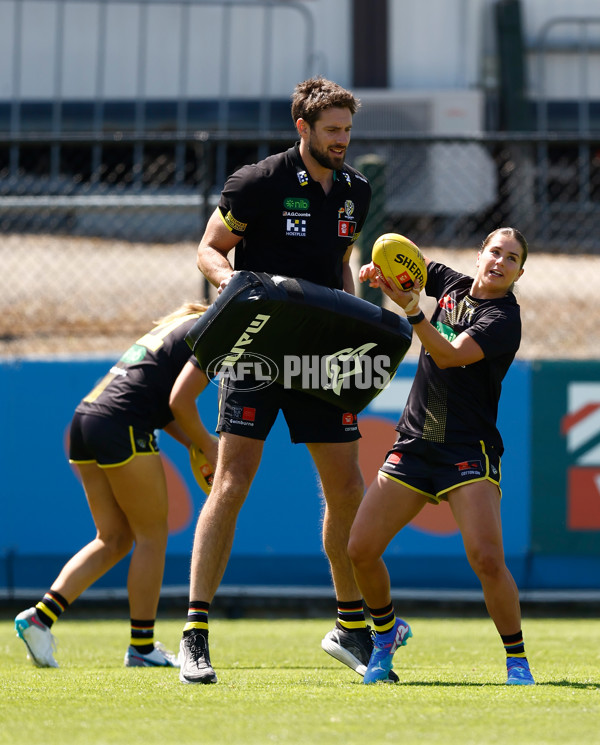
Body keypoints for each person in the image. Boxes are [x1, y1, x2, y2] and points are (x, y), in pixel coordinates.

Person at [178, 76, 380, 685]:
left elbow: (341, 264)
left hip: (321, 355)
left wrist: (355, 319)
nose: (343, 140)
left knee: (346, 488)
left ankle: (349, 628)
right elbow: (210, 250)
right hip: (259, 350)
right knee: (233, 482)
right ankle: (194, 634)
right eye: (332, 130)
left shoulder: (355, 191)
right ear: (303, 128)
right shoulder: (257, 182)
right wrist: (233, 289)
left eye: (348, 129)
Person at [348, 227, 535, 686]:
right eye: (495, 252)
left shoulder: (504, 319)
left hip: (466, 449)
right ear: (479, 256)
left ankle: (516, 660)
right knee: (360, 550)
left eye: (511, 259)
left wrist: (413, 312)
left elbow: (450, 355)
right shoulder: (448, 283)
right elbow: (407, 269)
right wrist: (381, 271)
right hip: (415, 443)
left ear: (519, 273)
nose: (500, 262)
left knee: (487, 559)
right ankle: (386, 634)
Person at [15, 302, 218, 669]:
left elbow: (163, 404)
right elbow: (179, 402)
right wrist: (207, 443)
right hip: (121, 425)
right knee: (152, 535)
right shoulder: (214, 332)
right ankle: (141, 646)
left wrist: (193, 444)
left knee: (113, 538)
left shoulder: (184, 324)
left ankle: (39, 619)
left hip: (87, 420)